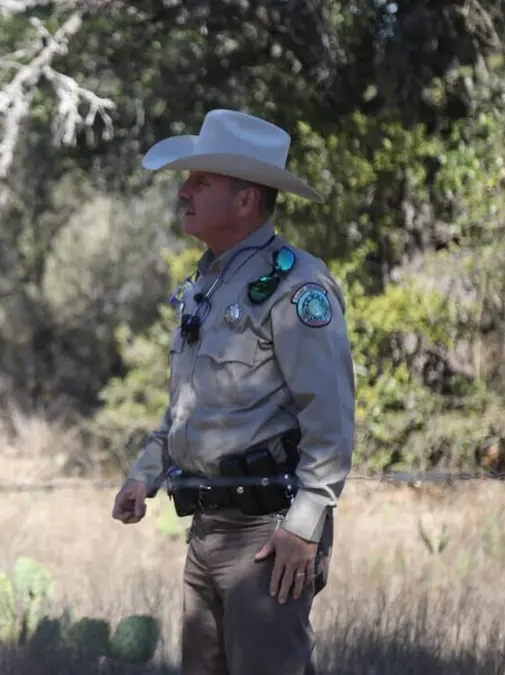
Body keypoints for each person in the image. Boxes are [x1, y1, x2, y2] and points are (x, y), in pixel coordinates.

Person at [111, 109, 356, 675]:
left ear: (246, 201)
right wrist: (147, 472)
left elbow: (332, 420)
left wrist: (303, 526)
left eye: (201, 181)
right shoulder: (206, 284)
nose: (183, 191)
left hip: (267, 536)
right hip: (206, 531)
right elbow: (188, 407)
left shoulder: (297, 287)